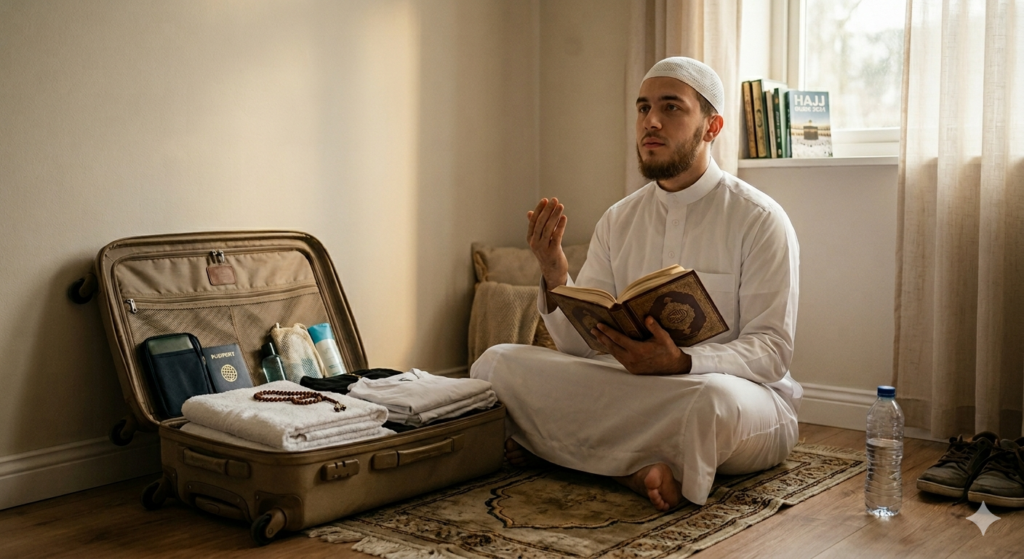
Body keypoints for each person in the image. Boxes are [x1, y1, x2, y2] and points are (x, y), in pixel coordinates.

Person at [470, 57, 802, 511]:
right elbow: (580, 348)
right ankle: (635, 470)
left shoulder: (760, 220)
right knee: (497, 364)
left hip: (732, 397)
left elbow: (772, 350)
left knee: (710, 403)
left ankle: (558, 452)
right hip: (632, 389)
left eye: (671, 107)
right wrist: (555, 272)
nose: (651, 122)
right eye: (643, 108)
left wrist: (682, 362)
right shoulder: (619, 218)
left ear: (712, 126)